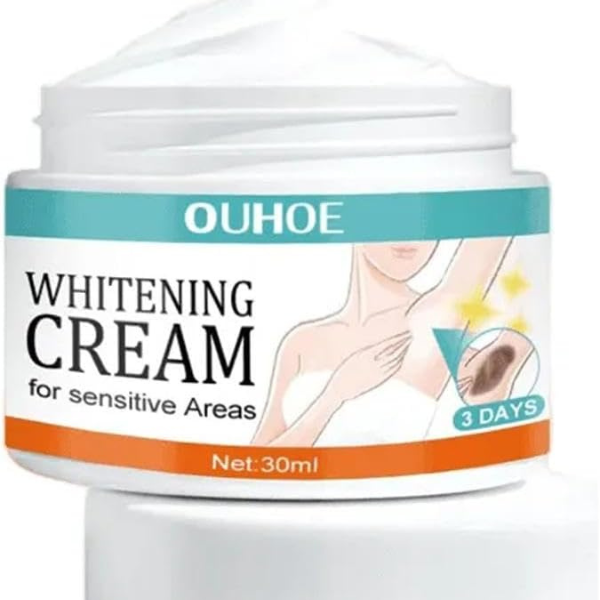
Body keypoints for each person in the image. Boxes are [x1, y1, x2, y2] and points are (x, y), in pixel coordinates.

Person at [252, 238, 513, 447]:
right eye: (389, 215)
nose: (410, 237)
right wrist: (334, 395)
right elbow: (256, 465)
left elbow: (493, 224)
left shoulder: (430, 325)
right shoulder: (301, 343)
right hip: (289, 498)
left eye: (425, 220)